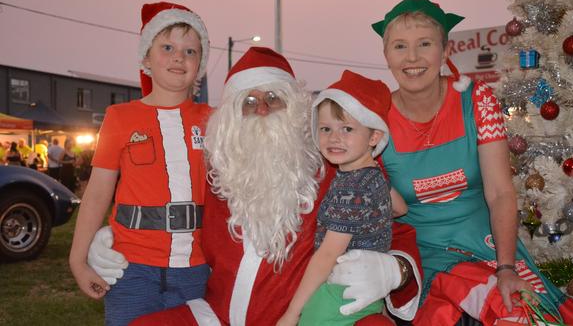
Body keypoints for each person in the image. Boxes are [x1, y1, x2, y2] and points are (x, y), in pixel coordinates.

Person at [88, 47, 424, 325]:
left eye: (273, 99)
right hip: (218, 315)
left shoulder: (336, 165)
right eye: (249, 103)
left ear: (295, 109)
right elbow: (164, 201)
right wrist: (118, 237)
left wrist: (396, 269)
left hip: (301, 317)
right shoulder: (217, 172)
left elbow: (397, 226)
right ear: (233, 116)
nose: (262, 109)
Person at [372, 0, 573, 325]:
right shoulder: (376, 118)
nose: (412, 58)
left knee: (520, 312)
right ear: (386, 56)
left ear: (445, 51)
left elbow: (500, 193)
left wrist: (505, 267)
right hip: (420, 257)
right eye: (400, 46)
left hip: (486, 245)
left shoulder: (477, 100)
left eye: (425, 44)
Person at [69, 1, 212, 326]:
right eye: (167, 47)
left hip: (196, 269)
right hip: (131, 268)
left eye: (190, 51)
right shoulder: (120, 118)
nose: (179, 57)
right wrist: (78, 260)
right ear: (146, 57)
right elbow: (97, 194)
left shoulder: (215, 121)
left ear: (201, 64)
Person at [278, 70, 409, 326]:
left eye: (347, 128)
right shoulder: (373, 174)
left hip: (339, 294)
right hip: (370, 293)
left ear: (374, 136)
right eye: (326, 128)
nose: (334, 138)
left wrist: (292, 313)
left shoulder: (351, 188)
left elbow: (328, 254)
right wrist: (371, 223)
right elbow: (400, 207)